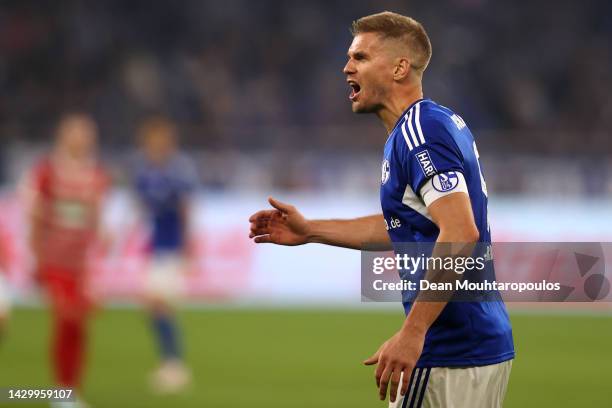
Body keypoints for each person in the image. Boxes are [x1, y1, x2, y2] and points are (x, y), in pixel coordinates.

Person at [248, 11, 514, 408]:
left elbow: (460, 233)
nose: (346, 67)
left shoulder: (420, 132)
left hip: (449, 351)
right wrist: (311, 231)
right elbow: (406, 226)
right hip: (471, 345)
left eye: (360, 58)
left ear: (399, 67)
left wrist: (413, 332)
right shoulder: (423, 128)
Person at [29, 112, 108, 408]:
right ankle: (61, 392)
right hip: (54, 261)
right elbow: (36, 217)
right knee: (65, 319)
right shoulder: (48, 171)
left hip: (80, 265)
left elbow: (95, 221)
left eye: (86, 134)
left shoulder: (96, 174)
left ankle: (72, 391)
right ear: (64, 137)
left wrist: (103, 240)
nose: (82, 139)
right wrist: (36, 257)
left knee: (80, 326)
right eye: (76, 133)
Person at [132, 116, 196, 393]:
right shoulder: (144, 173)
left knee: (158, 304)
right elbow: (141, 209)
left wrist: (187, 245)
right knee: (155, 306)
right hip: (156, 246)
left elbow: (185, 210)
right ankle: (172, 364)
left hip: (171, 247)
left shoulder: (177, 172)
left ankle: (175, 366)